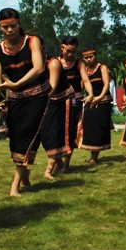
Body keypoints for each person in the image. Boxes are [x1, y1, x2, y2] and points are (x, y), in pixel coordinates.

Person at [0, 8, 50, 196]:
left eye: (13, 26)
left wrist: (16, 84)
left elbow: (39, 68)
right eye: (5, 27)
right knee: (15, 139)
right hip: (15, 100)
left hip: (37, 97)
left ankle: (15, 185)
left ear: (19, 23)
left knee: (26, 135)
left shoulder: (32, 41)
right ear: (0, 27)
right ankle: (24, 174)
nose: (9, 30)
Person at [58, 36, 93, 171]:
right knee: (56, 131)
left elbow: (86, 80)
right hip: (57, 103)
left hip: (74, 103)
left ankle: (66, 163)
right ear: (62, 48)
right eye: (68, 51)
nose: (70, 54)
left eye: (73, 51)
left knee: (71, 132)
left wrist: (90, 94)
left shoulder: (79, 64)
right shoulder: (54, 62)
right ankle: (57, 160)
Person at [41, 48, 75, 179]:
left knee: (56, 133)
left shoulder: (53, 63)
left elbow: (52, 86)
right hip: (50, 101)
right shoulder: (34, 64)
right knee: (45, 134)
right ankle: (59, 163)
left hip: (63, 101)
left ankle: (49, 170)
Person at [79, 47, 113, 165]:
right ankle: (92, 154)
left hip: (102, 101)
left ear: (95, 56)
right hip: (90, 102)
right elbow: (83, 86)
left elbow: (106, 84)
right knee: (90, 128)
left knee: (99, 128)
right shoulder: (84, 70)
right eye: (86, 57)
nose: (89, 59)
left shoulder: (102, 67)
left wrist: (100, 97)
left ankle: (95, 156)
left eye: (91, 57)